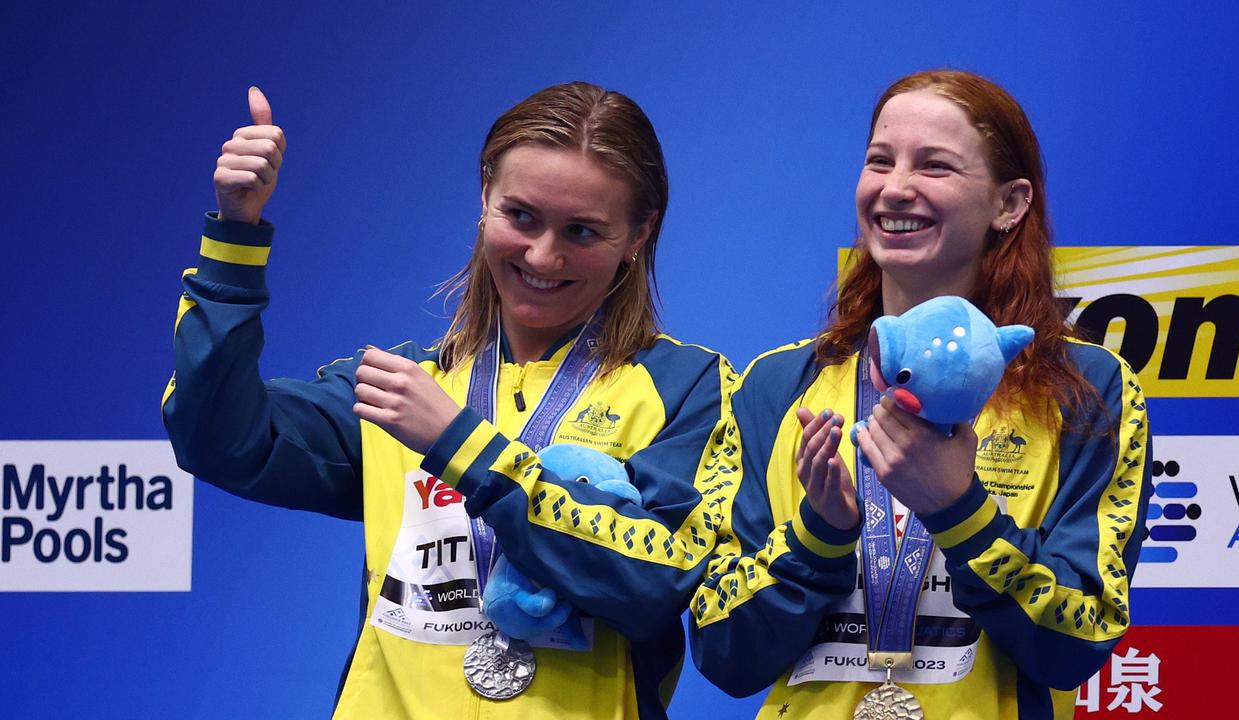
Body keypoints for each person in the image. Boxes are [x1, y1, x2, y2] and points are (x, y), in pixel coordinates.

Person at [163, 82, 735, 720]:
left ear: (638, 233)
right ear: (485, 197)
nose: (544, 255)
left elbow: (658, 584)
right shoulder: (396, 386)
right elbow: (216, 437)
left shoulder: (689, 388)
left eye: (582, 230)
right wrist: (234, 240)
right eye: (520, 216)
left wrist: (463, 446)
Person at [689, 70, 1152, 719]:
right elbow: (722, 653)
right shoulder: (776, 385)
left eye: (934, 166)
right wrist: (818, 537)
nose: (895, 187)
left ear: (1009, 204)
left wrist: (960, 511)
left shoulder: (1086, 389)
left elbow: (1078, 640)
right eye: (880, 161)